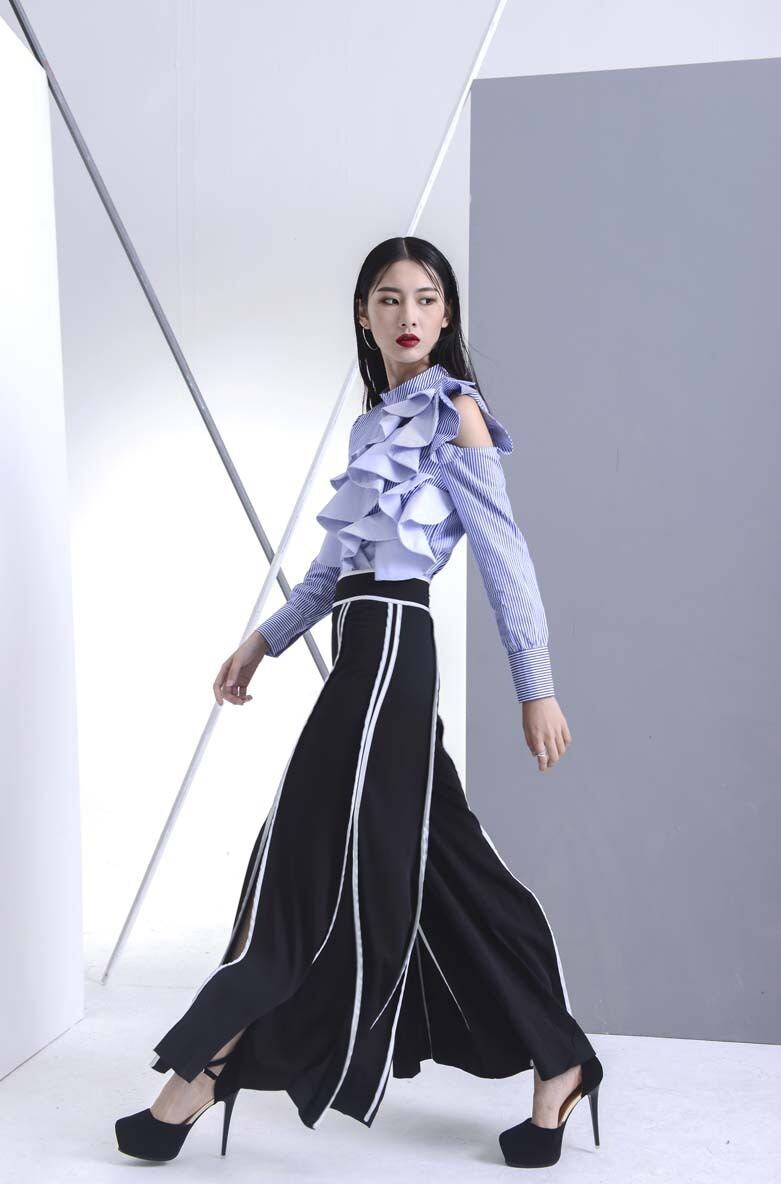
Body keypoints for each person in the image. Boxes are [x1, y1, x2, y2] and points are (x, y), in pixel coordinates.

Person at [115, 236, 603, 1169]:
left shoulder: (456, 413)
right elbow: (332, 572)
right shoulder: (372, 425)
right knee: (448, 865)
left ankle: (197, 1076)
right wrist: (262, 639)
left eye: (425, 298)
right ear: (364, 315)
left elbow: (506, 557)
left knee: (300, 860)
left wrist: (535, 687)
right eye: (388, 298)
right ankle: (561, 1061)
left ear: (447, 315)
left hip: (391, 661)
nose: (407, 314)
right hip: (360, 655)